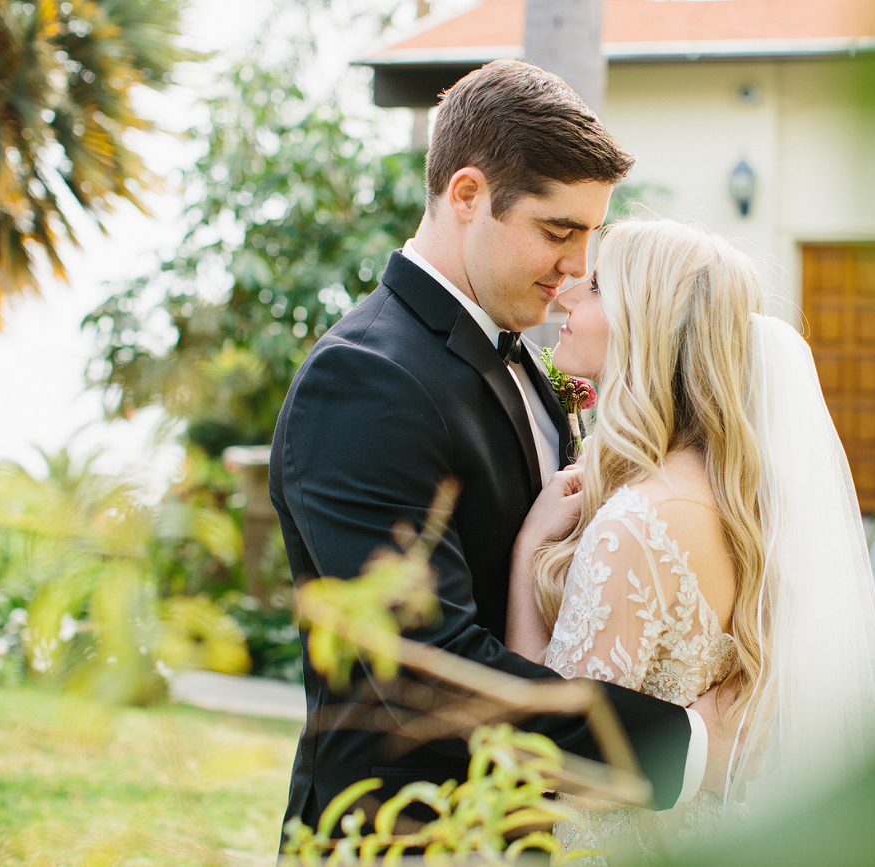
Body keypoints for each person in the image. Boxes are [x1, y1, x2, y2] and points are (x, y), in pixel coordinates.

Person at [269, 61, 736, 844]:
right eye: (558, 231)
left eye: (590, 234)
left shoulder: (517, 354)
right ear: (466, 196)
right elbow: (424, 668)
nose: (578, 268)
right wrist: (686, 747)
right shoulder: (365, 379)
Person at [506, 219, 875, 862]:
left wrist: (527, 555)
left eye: (601, 284)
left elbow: (553, 757)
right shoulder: (734, 504)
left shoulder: (636, 524)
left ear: (647, 323)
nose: (571, 291)